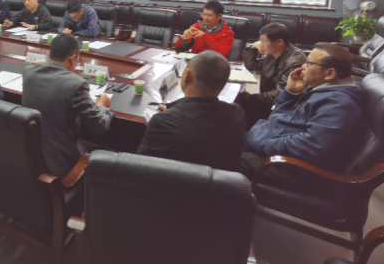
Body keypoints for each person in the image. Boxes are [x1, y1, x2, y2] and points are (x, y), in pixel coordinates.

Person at [241, 43, 364, 177]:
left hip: (287, 167)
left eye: (309, 63)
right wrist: (291, 92)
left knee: (225, 151)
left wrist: (259, 138)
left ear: (329, 73)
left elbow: (309, 148)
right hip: (274, 141)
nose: (303, 66)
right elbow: (280, 114)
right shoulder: (322, 87)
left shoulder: (338, 105)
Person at [22, 34, 113, 179]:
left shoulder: (28, 72)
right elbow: (99, 127)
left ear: (50, 54)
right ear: (73, 58)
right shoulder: (76, 84)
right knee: (110, 149)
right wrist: (102, 105)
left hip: (29, 154)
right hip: (61, 161)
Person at [138, 52, 246, 172]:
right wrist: (174, 112)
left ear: (187, 75)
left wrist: (170, 116)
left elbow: (140, 168)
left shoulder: (163, 122)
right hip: (222, 182)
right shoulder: (237, 114)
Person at [236, 23, 307, 129]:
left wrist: (252, 98)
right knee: (240, 99)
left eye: (264, 41)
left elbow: (282, 93)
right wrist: (252, 47)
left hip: (284, 105)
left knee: (243, 102)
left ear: (279, 42)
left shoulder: (294, 61)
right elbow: (253, 65)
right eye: (260, 40)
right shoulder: (274, 52)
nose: (261, 44)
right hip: (269, 99)